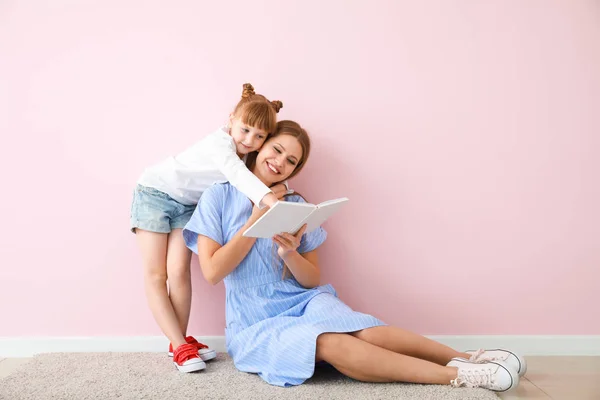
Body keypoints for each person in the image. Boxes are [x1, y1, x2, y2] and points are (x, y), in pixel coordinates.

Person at [183, 120, 526, 391]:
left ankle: (468, 359)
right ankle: (456, 378)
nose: (280, 163)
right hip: (253, 320)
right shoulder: (218, 197)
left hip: (300, 300)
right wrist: (258, 215)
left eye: (292, 161)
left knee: (361, 328)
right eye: (276, 150)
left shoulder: (297, 206)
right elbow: (212, 272)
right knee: (329, 341)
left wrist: (289, 254)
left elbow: (312, 279)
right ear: (258, 147)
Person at [130, 83, 286, 372]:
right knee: (157, 274)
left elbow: (251, 175)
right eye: (245, 129)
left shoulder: (242, 153)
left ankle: (178, 341)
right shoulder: (221, 144)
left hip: (187, 205)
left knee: (179, 272)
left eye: (259, 136)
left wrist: (282, 187)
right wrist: (269, 202)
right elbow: (238, 176)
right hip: (154, 193)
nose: (250, 140)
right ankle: (179, 345)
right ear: (231, 119)